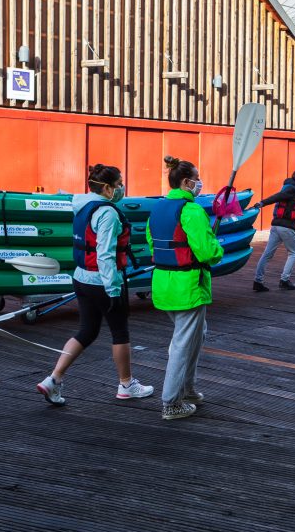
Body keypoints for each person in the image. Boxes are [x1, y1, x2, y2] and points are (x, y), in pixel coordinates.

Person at [36, 164, 154, 405]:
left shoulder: (81, 205)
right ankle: (126, 385)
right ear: (108, 188)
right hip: (103, 281)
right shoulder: (108, 213)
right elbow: (105, 254)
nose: (122, 188)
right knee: (120, 331)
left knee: (87, 331)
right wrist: (113, 289)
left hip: (81, 278)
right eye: (119, 184)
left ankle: (53, 380)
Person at [146, 156, 224, 421]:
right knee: (183, 343)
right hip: (188, 286)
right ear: (186, 182)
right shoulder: (192, 211)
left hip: (163, 283)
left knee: (197, 334)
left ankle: (187, 389)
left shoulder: (157, 208)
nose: (200, 183)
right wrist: (218, 248)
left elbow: (152, 243)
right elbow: (207, 252)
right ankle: (171, 403)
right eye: (197, 179)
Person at [251, 169, 295, 292]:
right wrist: (262, 203)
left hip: (276, 225)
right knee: (293, 253)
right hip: (286, 227)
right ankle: (284, 280)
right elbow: (277, 197)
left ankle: (258, 281)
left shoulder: (289, 187)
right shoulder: (292, 189)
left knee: (267, 254)